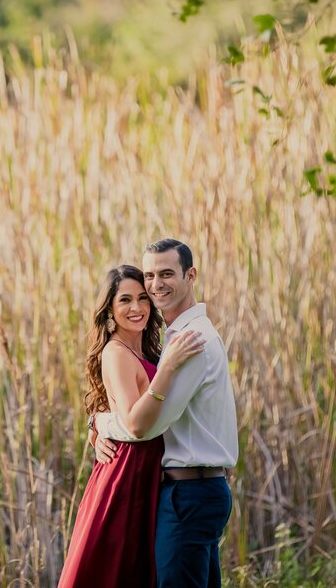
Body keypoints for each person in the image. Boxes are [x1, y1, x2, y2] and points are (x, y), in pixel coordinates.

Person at [93, 239, 239, 588]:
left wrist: (101, 423)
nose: (156, 284)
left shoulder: (190, 341)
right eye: (150, 275)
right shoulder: (179, 337)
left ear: (191, 276)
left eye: (167, 274)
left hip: (190, 495)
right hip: (195, 491)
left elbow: (145, 426)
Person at [59, 264, 205, 588]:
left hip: (148, 473)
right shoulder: (116, 352)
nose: (136, 308)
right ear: (109, 307)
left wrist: (95, 423)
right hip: (127, 475)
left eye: (142, 298)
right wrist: (167, 369)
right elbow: (134, 422)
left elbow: (112, 409)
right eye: (125, 300)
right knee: (114, 569)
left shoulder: (147, 350)